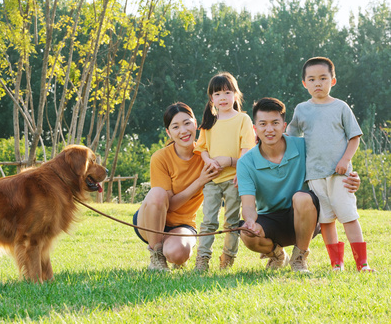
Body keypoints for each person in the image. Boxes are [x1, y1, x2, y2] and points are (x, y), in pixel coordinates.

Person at [237, 97, 360, 273]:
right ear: (255, 128)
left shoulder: (304, 146)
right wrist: (249, 221)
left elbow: (331, 164)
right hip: (271, 219)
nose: (269, 129)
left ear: (284, 125)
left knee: (301, 197)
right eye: (263, 124)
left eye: (275, 123)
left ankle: (299, 257)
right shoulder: (246, 162)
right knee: (247, 235)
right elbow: (248, 204)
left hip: (305, 216)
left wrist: (351, 176)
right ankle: (278, 254)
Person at [286, 57, 373, 272]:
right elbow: (290, 136)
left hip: (340, 174)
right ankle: (337, 264)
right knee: (326, 221)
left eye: (323, 78)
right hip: (314, 176)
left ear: (333, 80)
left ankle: (362, 263)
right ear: (304, 83)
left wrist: (345, 160)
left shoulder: (341, 107)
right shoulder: (301, 109)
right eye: (312, 79)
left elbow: (354, 137)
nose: (318, 83)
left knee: (348, 216)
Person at [133, 102, 234, 271]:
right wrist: (200, 181)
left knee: (178, 254)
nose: (183, 131)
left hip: (182, 225)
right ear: (169, 132)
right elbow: (169, 205)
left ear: (196, 124)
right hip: (150, 220)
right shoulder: (160, 158)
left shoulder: (207, 156)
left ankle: (170, 248)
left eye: (187, 123)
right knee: (158, 193)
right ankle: (156, 256)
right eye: (176, 126)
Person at [193, 73, 256, 271]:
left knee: (231, 221)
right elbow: (201, 148)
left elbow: (247, 148)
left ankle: (227, 258)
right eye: (217, 93)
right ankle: (202, 259)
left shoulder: (243, 119)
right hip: (212, 179)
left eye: (227, 92)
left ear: (236, 95)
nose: (223, 97)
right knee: (208, 221)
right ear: (211, 98)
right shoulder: (209, 122)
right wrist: (208, 161)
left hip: (234, 180)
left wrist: (239, 170)